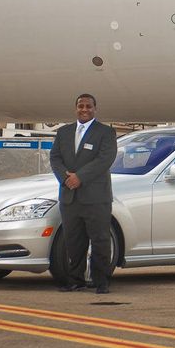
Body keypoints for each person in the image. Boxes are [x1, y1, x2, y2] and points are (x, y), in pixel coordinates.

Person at [49, 93, 117, 294]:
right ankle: (75, 280)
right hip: (70, 197)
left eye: (88, 106)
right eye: (81, 106)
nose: (84, 109)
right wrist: (65, 178)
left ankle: (101, 281)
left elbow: (105, 159)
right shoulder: (63, 132)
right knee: (74, 241)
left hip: (96, 198)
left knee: (100, 240)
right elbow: (55, 158)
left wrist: (80, 177)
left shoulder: (105, 132)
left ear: (95, 109)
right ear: (76, 108)